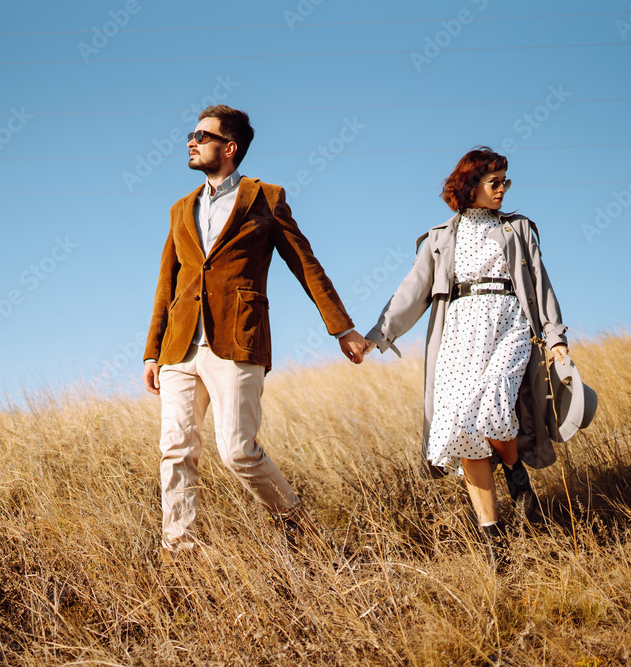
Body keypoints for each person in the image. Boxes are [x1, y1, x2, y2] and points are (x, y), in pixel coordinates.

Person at [143, 105, 368, 561]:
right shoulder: (179, 209)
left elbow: (304, 264)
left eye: (201, 136)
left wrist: (341, 328)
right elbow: (167, 282)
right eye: (192, 133)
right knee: (176, 450)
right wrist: (152, 352)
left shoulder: (265, 197)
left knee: (238, 451)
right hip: (180, 347)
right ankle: (179, 552)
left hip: (238, 339)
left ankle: (298, 525)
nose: (191, 141)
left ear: (228, 148)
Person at [363, 146, 570, 568]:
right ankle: (495, 541)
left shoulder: (518, 229)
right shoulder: (441, 237)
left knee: (495, 403)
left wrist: (555, 336)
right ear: (470, 185)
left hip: (510, 320)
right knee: (462, 427)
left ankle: (514, 472)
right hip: (459, 329)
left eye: (505, 182)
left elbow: (540, 283)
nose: (502, 190)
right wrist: (375, 336)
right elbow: (412, 290)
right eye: (495, 183)